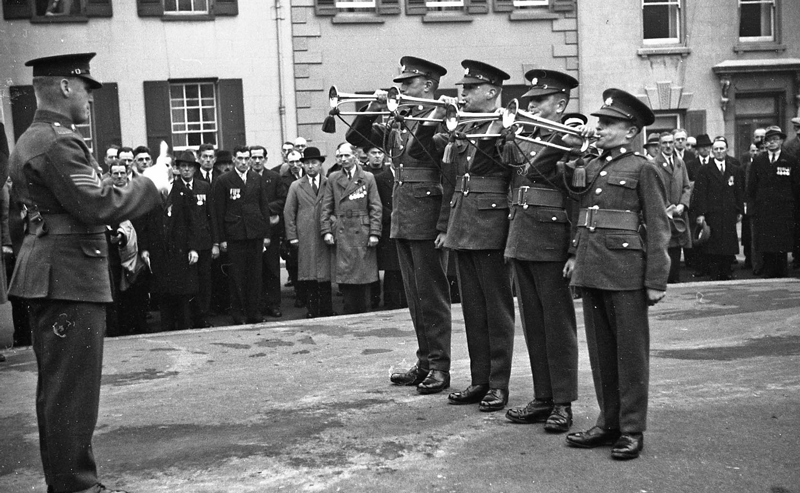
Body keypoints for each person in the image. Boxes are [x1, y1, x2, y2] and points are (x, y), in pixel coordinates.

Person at [8, 53, 168, 493]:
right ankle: (77, 487)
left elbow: (32, 216)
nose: (90, 98)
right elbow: (96, 204)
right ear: (64, 87)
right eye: (85, 88)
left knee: (60, 391)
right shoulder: (58, 142)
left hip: (55, 273)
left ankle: (68, 483)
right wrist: (152, 183)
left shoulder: (37, 138)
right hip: (70, 277)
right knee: (72, 394)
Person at [563, 88, 670, 461]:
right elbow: (575, 199)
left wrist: (656, 279)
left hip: (626, 271)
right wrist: (572, 149)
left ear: (631, 131)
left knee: (630, 355)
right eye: (600, 122)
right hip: (593, 267)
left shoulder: (643, 168)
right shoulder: (592, 164)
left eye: (609, 123)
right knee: (602, 354)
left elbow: (658, 226)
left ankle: (631, 428)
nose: (600, 128)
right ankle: (608, 422)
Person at [345, 57, 452, 394]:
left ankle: (440, 366)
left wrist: (443, 224)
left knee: (431, 295)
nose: (401, 88)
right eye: (401, 83)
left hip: (427, 215)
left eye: (408, 83)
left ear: (428, 85)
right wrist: (372, 108)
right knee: (415, 296)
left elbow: (440, 165)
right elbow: (355, 135)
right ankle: (425, 362)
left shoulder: (441, 118)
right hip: (405, 215)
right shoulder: (400, 118)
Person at [419, 60, 515, 411]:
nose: (465, 93)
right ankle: (480, 380)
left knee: (496, 310)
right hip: (464, 224)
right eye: (465, 88)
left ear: (492, 92)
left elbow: (513, 172)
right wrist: (446, 225)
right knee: (473, 310)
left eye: (472, 88)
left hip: (491, 225)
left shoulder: (507, 125)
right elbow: (445, 174)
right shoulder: (462, 125)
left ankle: (499, 384)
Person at [502, 69, 579, 432]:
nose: (530, 106)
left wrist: (574, 250)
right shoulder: (528, 135)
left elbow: (577, 197)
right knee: (534, 325)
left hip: (551, 241)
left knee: (557, 326)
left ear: (560, 104)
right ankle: (543, 396)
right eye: (530, 100)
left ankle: (563, 402)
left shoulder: (569, 139)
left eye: (539, 100)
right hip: (523, 237)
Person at [139, 150, 201, 332]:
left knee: (182, 292)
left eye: (169, 166)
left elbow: (193, 223)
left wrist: (193, 248)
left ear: (173, 169)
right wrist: (144, 248)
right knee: (163, 291)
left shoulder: (184, 192)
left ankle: (184, 326)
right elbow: (144, 224)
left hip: (180, 250)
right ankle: (167, 327)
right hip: (159, 250)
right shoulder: (151, 193)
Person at [211, 145, 272, 324]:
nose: (244, 162)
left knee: (255, 276)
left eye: (247, 159)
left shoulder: (256, 178)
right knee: (236, 277)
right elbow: (218, 212)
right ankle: (238, 314)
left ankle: (254, 313)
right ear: (234, 160)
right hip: (234, 235)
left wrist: (266, 234)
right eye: (240, 159)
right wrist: (221, 239)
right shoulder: (224, 180)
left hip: (254, 234)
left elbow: (263, 207)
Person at [321, 142, 382, 314]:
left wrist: (374, 232)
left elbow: (375, 207)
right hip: (342, 230)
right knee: (346, 276)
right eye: (340, 156)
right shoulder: (333, 178)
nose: (343, 159)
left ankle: (365, 313)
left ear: (355, 156)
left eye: (347, 155)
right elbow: (326, 206)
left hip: (362, 231)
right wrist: (326, 230)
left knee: (363, 276)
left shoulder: (367, 177)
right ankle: (349, 313)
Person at [283, 147, 334, 318]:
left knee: (325, 274)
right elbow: (289, 212)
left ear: (320, 165)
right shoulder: (296, 186)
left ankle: (326, 309)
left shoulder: (328, 183)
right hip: (305, 235)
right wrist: (292, 237)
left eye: (314, 163)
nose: (310, 166)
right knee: (309, 274)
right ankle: (312, 310)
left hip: (324, 233)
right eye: (307, 163)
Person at [748, 126, 799, 278]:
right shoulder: (759, 161)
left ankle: (782, 271)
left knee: (782, 242)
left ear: (781, 141)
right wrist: (752, 206)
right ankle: (768, 271)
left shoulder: (790, 160)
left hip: (784, 209)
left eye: (775, 139)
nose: (772, 143)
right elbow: (752, 186)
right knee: (766, 241)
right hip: (764, 209)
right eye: (769, 140)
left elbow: (796, 186)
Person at [692, 137, 743, 281]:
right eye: (716, 149)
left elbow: (739, 191)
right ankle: (714, 273)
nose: (719, 151)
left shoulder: (734, 169)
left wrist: (739, 210)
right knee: (713, 244)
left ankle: (727, 271)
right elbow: (700, 193)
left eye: (722, 148)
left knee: (728, 243)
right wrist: (701, 213)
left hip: (729, 212)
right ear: (712, 151)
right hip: (712, 213)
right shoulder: (704, 170)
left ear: (727, 150)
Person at [250, 144, 288, 318]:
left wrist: (264, 209)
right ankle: (257, 305)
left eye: (260, 157)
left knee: (272, 269)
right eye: (254, 157)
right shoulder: (245, 178)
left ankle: (273, 304)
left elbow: (283, 199)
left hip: (271, 230)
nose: (257, 161)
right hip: (251, 231)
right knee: (255, 271)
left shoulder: (274, 177)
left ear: (265, 159)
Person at [179, 151, 214, 328]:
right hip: (183, 244)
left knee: (204, 281)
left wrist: (215, 242)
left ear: (195, 169)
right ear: (178, 169)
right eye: (183, 166)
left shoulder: (204, 187)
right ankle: (187, 318)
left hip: (203, 242)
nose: (186, 170)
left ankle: (203, 316)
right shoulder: (174, 187)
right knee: (187, 282)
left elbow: (211, 215)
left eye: (190, 167)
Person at [653, 132, 691, 283]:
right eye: (664, 143)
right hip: (663, 214)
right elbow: (654, 189)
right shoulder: (654, 164)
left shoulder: (680, 163)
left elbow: (687, 187)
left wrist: (682, 204)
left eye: (670, 142)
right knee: (664, 248)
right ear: (659, 145)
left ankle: (675, 282)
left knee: (676, 248)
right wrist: (669, 207)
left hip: (679, 214)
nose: (668, 146)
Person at [278, 150, 305, 305]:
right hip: (291, 225)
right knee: (293, 263)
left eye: (298, 161)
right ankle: (299, 293)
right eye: (291, 162)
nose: (295, 165)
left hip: (307, 224)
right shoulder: (282, 180)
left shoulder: (309, 175)